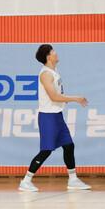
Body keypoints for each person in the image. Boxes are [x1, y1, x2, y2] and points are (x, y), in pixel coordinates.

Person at [19, 45, 91, 192]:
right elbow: (54, 96)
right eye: (53, 51)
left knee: (69, 145)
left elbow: (58, 95)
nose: (56, 53)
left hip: (57, 115)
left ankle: (73, 180)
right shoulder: (46, 74)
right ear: (48, 56)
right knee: (46, 150)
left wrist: (65, 101)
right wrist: (76, 98)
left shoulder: (54, 71)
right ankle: (26, 181)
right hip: (48, 117)